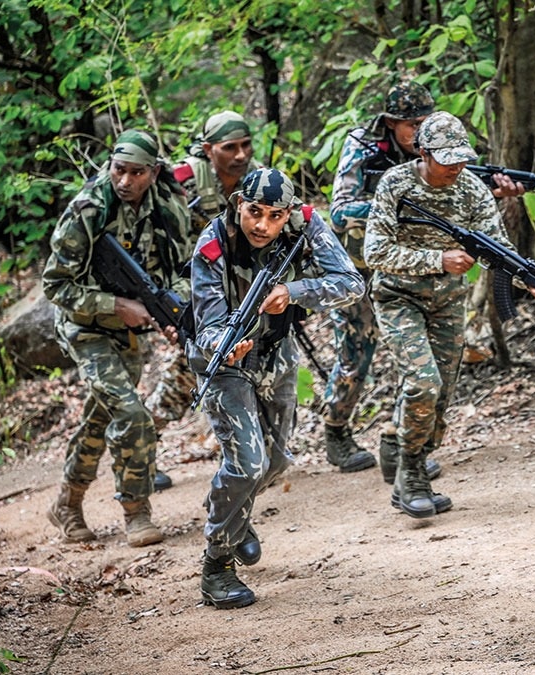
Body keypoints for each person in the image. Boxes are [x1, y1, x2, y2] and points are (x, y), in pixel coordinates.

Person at [325, 81, 522, 481]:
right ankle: (336, 430)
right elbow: (341, 213)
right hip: (360, 263)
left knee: (424, 372)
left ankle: (402, 446)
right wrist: (405, 203)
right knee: (356, 351)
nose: (418, 130)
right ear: (392, 123)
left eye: (424, 121)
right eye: (412, 123)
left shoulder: (448, 159)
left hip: (432, 276)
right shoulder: (365, 149)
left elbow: (487, 234)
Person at [189, 168, 364, 609]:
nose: (263, 225)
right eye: (254, 213)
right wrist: (223, 346)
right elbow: (207, 321)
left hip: (277, 353)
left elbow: (351, 283)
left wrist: (295, 289)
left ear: (288, 214)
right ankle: (217, 566)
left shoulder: (307, 224)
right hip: (223, 362)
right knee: (247, 464)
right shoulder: (213, 244)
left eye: (274, 215)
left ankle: (233, 509)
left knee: (277, 461)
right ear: (238, 207)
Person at [363, 111, 535, 519]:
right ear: (422, 152)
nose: (454, 168)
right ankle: (411, 475)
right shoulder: (395, 184)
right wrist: (437, 259)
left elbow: (497, 249)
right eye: (444, 159)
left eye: (460, 159)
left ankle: (408, 451)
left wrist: (533, 280)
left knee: (442, 393)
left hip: (448, 303)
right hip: (398, 298)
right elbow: (374, 252)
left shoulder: (470, 189)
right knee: (423, 383)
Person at [43, 128, 193, 547]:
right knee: (132, 414)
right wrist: (116, 306)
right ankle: (137, 512)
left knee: (105, 413)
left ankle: (66, 504)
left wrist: (170, 311)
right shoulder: (87, 210)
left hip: (130, 325)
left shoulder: (170, 207)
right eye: (118, 170)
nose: (125, 181)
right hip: (83, 324)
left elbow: (181, 270)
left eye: (136, 173)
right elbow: (55, 286)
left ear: (154, 172)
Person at [140, 110, 258, 491]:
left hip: (242, 291)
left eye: (245, 145)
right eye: (229, 148)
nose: (240, 155)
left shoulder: (258, 178)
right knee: (179, 381)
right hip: (193, 292)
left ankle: (255, 455)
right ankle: (138, 452)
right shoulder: (181, 182)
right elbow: (159, 243)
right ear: (209, 149)